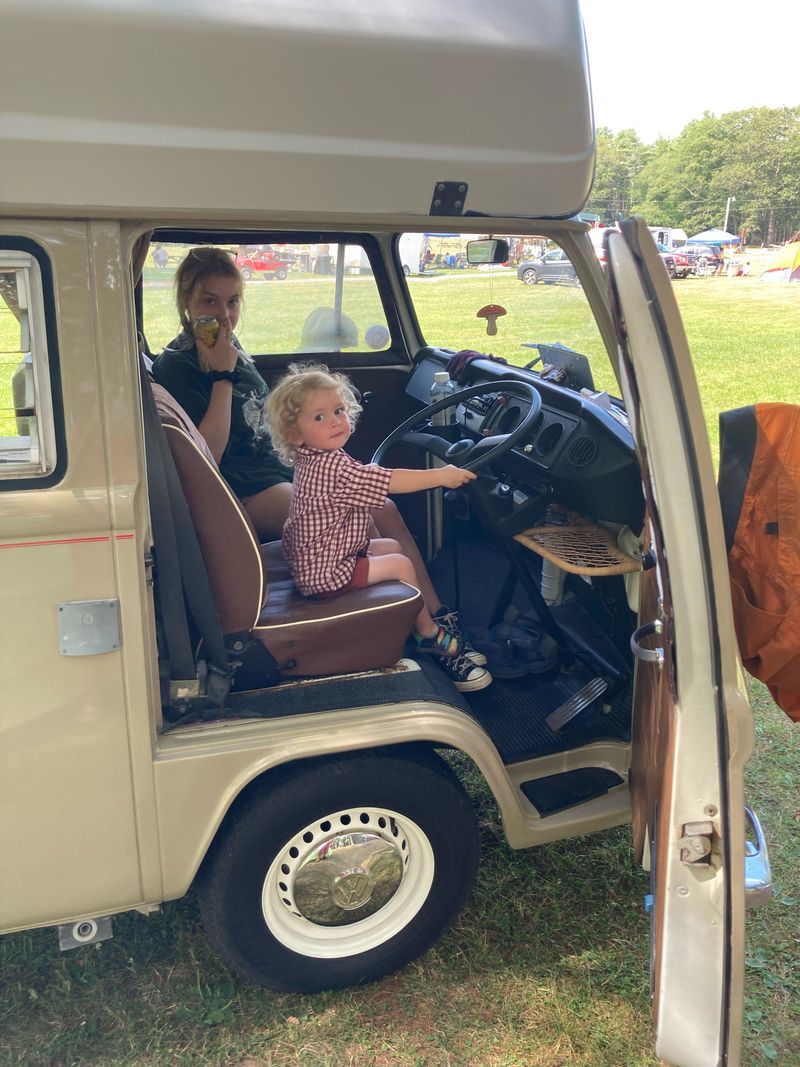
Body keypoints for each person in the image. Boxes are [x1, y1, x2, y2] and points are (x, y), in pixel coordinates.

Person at [151, 247, 481, 664]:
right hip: (245, 490)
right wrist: (221, 375)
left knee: (381, 505)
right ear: (186, 301)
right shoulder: (180, 366)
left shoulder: (230, 347)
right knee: (372, 507)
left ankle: (428, 615)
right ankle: (416, 626)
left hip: (280, 471)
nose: (224, 315)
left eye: (232, 301)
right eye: (209, 302)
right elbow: (206, 457)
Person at [266, 363, 493, 692]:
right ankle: (428, 634)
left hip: (322, 558)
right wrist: (443, 475)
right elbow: (390, 481)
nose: (335, 421)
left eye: (339, 410)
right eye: (320, 417)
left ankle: (405, 618)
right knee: (400, 564)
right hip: (324, 574)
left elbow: (364, 482)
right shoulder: (332, 468)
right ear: (294, 434)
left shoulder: (318, 458)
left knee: (390, 548)